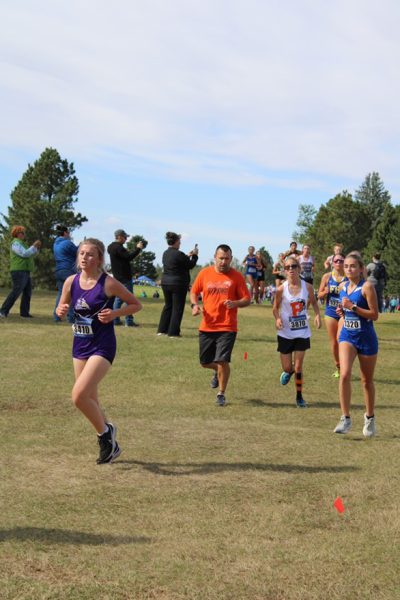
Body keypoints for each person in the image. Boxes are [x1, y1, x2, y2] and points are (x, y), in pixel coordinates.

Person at [56, 238, 142, 464]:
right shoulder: (70, 281)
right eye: (82, 253)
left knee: (78, 396)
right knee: (90, 397)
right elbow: (61, 310)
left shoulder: (108, 283)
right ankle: (109, 442)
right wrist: (61, 309)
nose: (84, 257)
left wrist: (114, 315)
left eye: (90, 254)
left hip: (102, 346)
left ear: (99, 259)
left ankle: (105, 435)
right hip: (80, 344)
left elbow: (135, 304)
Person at [190, 244, 251, 406]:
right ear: (215, 257)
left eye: (227, 259)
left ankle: (221, 393)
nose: (224, 262)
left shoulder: (237, 277)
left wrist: (235, 303)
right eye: (221, 258)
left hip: (227, 326)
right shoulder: (205, 273)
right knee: (204, 362)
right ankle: (217, 371)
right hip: (207, 325)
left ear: (231, 259)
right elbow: (194, 292)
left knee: (222, 360)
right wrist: (194, 305)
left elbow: (247, 299)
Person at [333, 253, 379, 437]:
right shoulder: (342, 286)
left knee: (366, 381)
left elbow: (374, 315)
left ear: (361, 269)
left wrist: (353, 307)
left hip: (366, 338)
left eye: (353, 266)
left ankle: (369, 418)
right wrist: (342, 311)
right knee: (344, 374)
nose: (349, 269)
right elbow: (345, 310)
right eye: (346, 266)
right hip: (347, 336)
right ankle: (345, 418)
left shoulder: (367, 287)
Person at [272, 257, 321, 408]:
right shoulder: (281, 289)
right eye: (287, 267)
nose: (291, 269)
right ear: (284, 271)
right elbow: (274, 308)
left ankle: (299, 397)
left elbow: (313, 302)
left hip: (302, 332)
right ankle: (288, 371)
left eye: (294, 266)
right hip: (285, 333)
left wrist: (318, 315)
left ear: (299, 268)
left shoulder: (308, 287)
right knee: (288, 368)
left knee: (299, 367)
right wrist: (278, 319)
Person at [157, 232, 198, 337]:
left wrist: (187, 255)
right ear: (175, 242)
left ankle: (162, 329)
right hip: (177, 283)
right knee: (177, 308)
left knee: (168, 306)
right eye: (179, 242)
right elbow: (190, 265)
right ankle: (173, 332)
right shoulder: (179, 254)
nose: (180, 244)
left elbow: (177, 261)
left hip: (165, 282)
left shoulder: (165, 253)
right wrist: (195, 256)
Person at [0, 225, 41, 319]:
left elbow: (31, 254)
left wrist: (36, 248)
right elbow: (24, 254)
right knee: (16, 292)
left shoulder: (22, 243)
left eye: (23, 233)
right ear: (17, 234)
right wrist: (33, 246)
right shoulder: (15, 243)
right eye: (22, 232)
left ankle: (24, 313)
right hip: (18, 271)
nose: (23, 234)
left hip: (25, 271)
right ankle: (3, 311)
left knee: (27, 293)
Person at [317, 254, 346, 377]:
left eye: (341, 260)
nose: (338, 262)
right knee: (334, 342)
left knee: (341, 339)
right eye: (336, 260)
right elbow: (319, 295)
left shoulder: (349, 277)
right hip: (330, 312)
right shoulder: (327, 277)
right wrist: (325, 291)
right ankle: (338, 367)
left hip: (344, 313)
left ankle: (345, 366)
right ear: (332, 263)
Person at [107, 229, 143, 327]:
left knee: (118, 299)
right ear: (119, 237)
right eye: (125, 237)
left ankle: (115, 319)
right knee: (129, 299)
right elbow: (129, 257)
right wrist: (138, 249)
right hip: (125, 276)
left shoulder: (111, 247)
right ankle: (129, 321)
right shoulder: (118, 248)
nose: (126, 239)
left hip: (117, 276)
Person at [53, 225, 78, 323]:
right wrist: (81, 245)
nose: (69, 235)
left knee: (61, 294)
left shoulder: (55, 244)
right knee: (72, 293)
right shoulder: (67, 243)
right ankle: (71, 317)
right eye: (68, 233)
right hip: (68, 270)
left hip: (59, 270)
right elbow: (78, 252)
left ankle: (57, 316)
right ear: (65, 233)